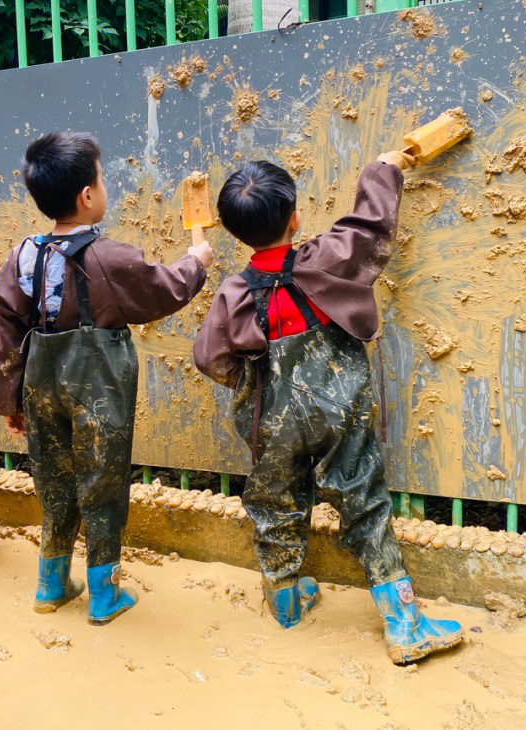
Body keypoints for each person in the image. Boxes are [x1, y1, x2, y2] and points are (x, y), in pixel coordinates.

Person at [193, 154, 464, 664]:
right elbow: (370, 226)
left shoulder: (233, 294)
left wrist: (251, 380)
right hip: (340, 408)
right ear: (294, 218)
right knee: (362, 494)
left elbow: (209, 357)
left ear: (234, 232)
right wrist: (383, 168)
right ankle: (404, 623)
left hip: (272, 419)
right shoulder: (325, 259)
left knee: (274, 498)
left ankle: (287, 602)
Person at [0, 131, 213, 625]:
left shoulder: (22, 257)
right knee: (103, 482)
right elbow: (167, 287)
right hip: (97, 389)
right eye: (102, 180)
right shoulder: (109, 258)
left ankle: (50, 584)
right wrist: (197, 260)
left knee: (53, 482)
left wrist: (9, 401)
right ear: (88, 196)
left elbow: (6, 337)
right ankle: (104, 593)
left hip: (40, 387)